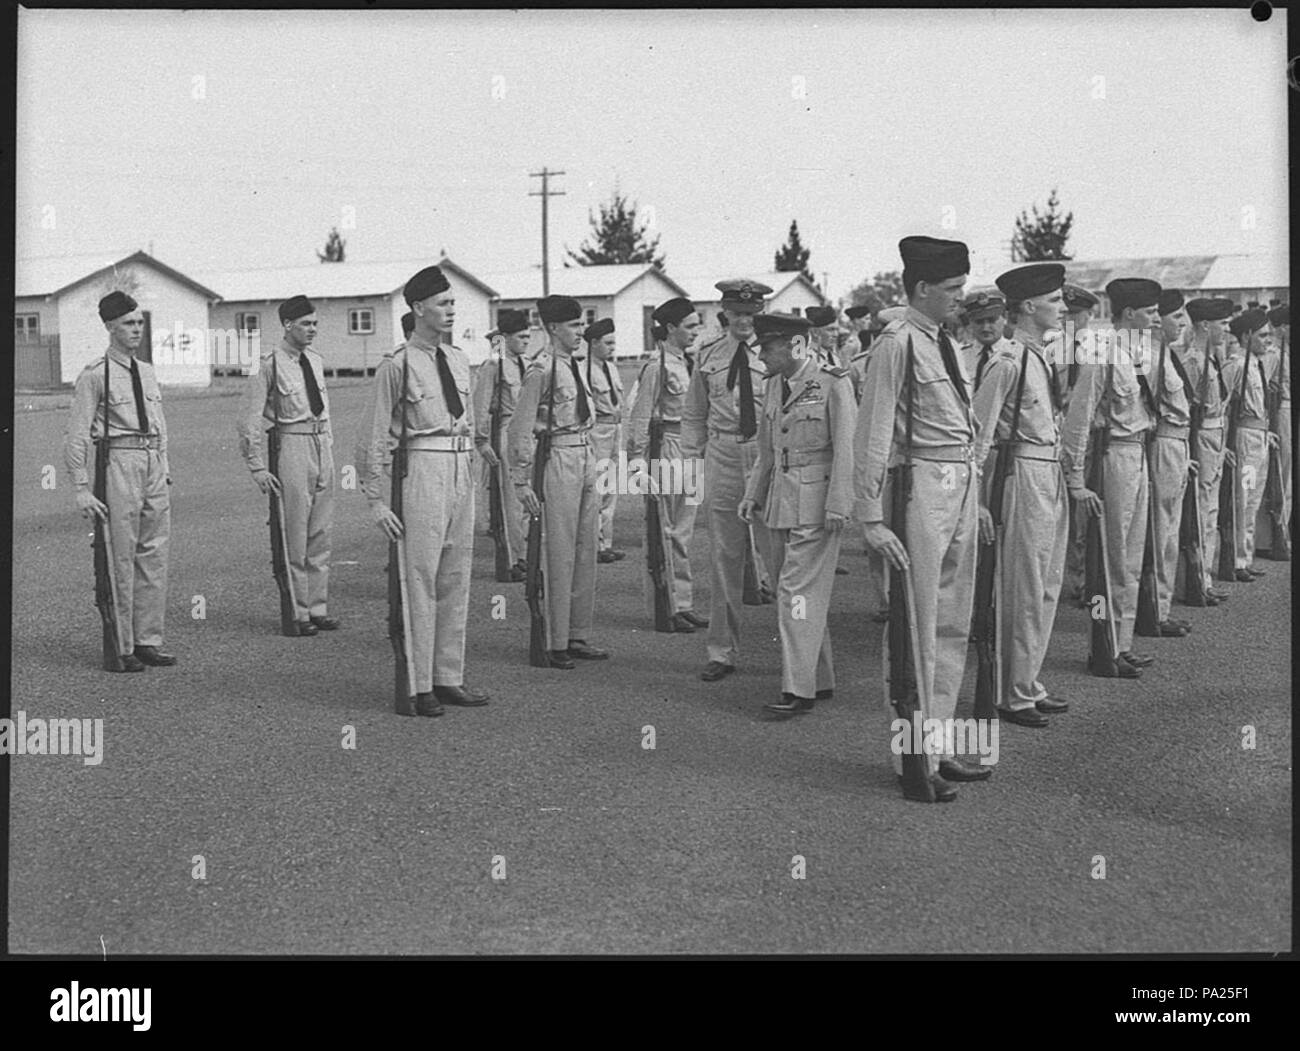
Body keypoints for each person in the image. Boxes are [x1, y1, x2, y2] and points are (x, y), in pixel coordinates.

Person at [854, 236, 988, 802]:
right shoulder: (897, 344)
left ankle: (936, 745)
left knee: (952, 626)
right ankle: (913, 759)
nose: (962, 297)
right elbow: (873, 433)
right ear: (923, 288)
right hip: (921, 490)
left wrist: (974, 490)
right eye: (953, 288)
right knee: (916, 629)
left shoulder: (946, 344)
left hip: (958, 486)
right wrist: (871, 516)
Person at [356, 265, 488, 716]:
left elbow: (470, 422)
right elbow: (374, 435)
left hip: (458, 468)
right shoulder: (397, 365)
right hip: (422, 469)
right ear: (418, 309)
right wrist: (375, 499)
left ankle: (448, 676)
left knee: (456, 575)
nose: (451, 310)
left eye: (453, 303)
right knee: (420, 579)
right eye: (443, 304)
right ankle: (419, 683)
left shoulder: (457, 360)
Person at [971, 264, 1071, 727]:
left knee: (1046, 583)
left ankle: (1028, 681)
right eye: (1055, 300)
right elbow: (978, 433)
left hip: (1048, 470)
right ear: (1029, 307)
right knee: (1023, 585)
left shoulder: (1040, 356)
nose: (1063, 307)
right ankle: (1011, 693)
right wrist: (976, 500)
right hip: (1021, 472)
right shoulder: (1007, 361)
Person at [740, 313, 855, 715]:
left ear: (796, 345)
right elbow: (767, 449)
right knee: (799, 595)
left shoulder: (833, 383)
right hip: (778, 501)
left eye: (769, 348)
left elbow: (847, 449)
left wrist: (840, 502)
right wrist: (753, 493)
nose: (762, 357)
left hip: (817, 503)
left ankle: (797, 689)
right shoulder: (774, 385)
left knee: (795, 594)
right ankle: (818, 678)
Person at [65, 290, 176, 671]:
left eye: (140, 322)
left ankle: (148, 640)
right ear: (110, 327)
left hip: (152, 465)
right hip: (119, 462)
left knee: (154, 554)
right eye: (129, 323)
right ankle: (122, 645)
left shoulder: (146, 371)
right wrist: (81, 487)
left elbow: (159, 426)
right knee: (120, 555)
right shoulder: (96, 374)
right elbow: (78, 434)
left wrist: (163, 465)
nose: (137, 329)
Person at [1060, 277, 1160, 676]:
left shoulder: (1137, 354)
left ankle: (1123, 643)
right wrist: (1077, 478)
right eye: (1150, 312)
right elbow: (1079, 418)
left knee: (1132, 558)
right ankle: (1103, 648)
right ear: (1130, 313)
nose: (1155, 318)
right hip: (1113, 457)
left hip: (1138, 454)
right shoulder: (1102, 355)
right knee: (1110, 558)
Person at [682, 278, 778, 682]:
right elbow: (694, 412)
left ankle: (795, 653)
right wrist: (690, 460)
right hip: (722, 454)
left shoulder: (777, 354)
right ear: (725, 314)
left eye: (751, 314)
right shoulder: (707, 355)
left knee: (780, 556)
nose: (744, 321)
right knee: (725, 557)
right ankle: (722, 651)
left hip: (766, 454)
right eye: (737, 314)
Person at [510, 294, 609, 669]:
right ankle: (554, 641)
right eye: (573, 326)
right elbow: (519, 429)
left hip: (585, 454)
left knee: (586, 551)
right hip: (558, 457)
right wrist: (521, 481)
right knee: (560, 551)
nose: (580, 332)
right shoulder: (541, 369)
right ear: (553, 328)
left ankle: (577, 634)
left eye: (581, 325)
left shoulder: (574, 365)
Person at [237, 295, 338, 635]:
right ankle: (298, 613)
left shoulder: (315, 360)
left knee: (320, 534)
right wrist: (257, 466)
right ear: (287, 325)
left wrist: (329, 446)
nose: (313, 330)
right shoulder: (267, 364)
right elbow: (249, 420)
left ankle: (318, 607)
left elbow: (324, 408)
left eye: (315, 324)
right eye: (306, 324)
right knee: (294, 532)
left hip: (321, 444)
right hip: (291, 444)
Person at [627, 297, 707, 632]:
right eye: (689, 326)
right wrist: (635, 459)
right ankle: (667, 604)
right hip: (668, 447)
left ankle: (683, 602)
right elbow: (641, 414)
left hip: (690, 447)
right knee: (666, 530)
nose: (695, 332)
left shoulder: (687, 363)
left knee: (683, 533)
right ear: (671, 328)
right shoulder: (657, 366)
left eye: (696, 325)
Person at [1139, 289, 1196, 637]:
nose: (1182, 324)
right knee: (1159, 530)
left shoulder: (1166, 355)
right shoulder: (1148, 358)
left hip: (1178, 444)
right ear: (1158, 321)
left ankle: (1162, 607)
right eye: (1177, 317)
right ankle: (1153, 611)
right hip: (1162, 442)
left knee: (1171, 529)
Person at [472, 308, 532, 582]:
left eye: (528, 336)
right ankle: (510, 561)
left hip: (526, 433)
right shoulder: (494, 365)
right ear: (505, 337)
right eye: (521, 336)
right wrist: (482, 441)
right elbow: (481, 405)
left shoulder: (526, 363)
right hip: (505, 432)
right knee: (508, 501)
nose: (526, 341)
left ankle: (523, 556)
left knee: (524, 500)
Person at [1221, 307, 1276, 580]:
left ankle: (1246, 556)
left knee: (1253, 500)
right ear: (1246, 335)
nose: (1269, 340)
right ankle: (1237, 561)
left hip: (1259, 437)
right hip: (1245, 439)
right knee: (1242, 499)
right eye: (1263, 335)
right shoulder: (1235, 365)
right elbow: (1221, 406)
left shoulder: (1255, 363)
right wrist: (1224, 444)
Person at [1058, 283, 1101, 605]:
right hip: (1057, 436)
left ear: (1091, 314)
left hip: (1090, 439)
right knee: (1060, 513)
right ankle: (1064, 577)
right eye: (1066, 313)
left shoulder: (1099, 350)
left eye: (1077, 313)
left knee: (1085, 514)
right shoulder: (1052, 349)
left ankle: (1085, 580)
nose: (1069, 319)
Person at [583, 318, 627, 564]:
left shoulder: (610, 368)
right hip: (597, 429)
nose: (612, 347)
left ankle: (606, 543)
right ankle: (594, 544)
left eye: (614, 342)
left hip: (615, 428)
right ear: (593, 343)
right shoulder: (584, 370)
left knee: (611, 488)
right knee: (597, 488)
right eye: (608, 343)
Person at [958, 289, 1009, 388]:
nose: (985, 328)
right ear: (970, 322)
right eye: (979, 322)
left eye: (992, 320)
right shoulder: (959, 356)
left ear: (1005, 318)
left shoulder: (1019, 354)